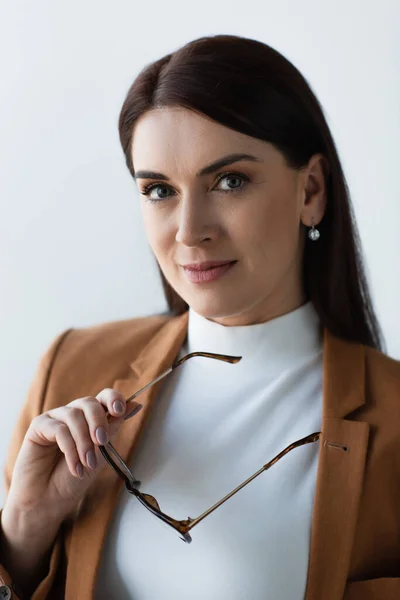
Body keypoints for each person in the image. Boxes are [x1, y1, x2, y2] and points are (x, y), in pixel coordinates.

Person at [0, 33, 399, 600]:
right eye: (159, 190)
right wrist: (24, 530)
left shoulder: (395, 420)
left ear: (310, 190)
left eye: (229, 181)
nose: (189, 230)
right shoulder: (72, 368)